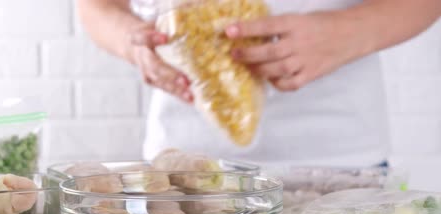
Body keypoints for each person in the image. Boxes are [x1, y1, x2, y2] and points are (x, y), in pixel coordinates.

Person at [77, 0, 441, 167]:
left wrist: (348, 32)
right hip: (183, 169)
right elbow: (96, 5)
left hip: (339, 162)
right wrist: (133, 41)